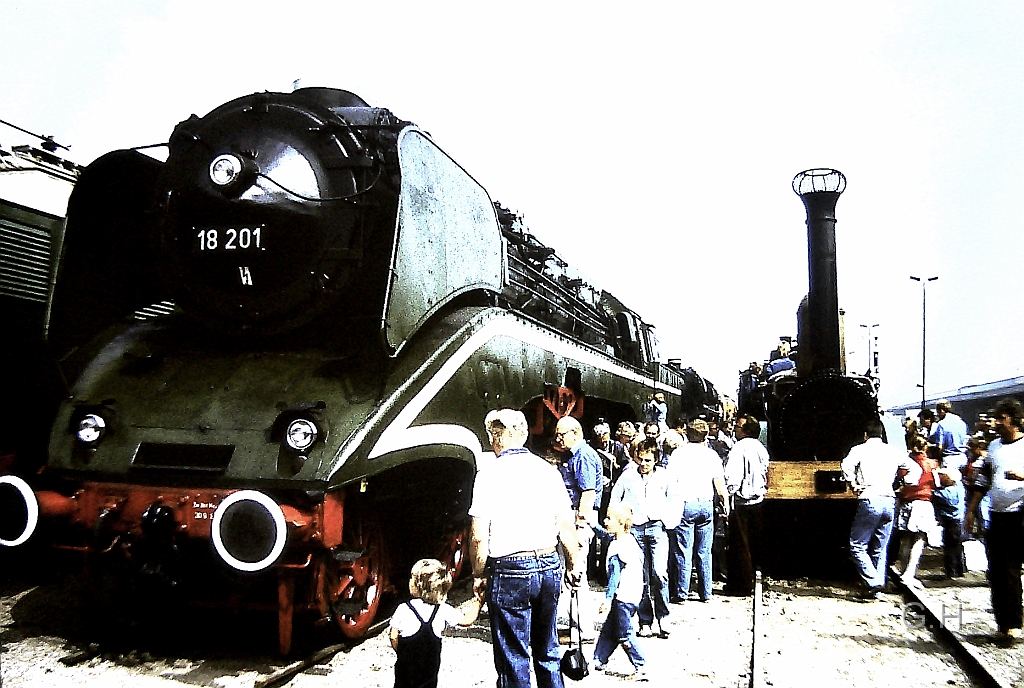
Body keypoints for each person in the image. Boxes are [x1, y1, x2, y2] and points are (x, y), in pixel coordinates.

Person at [469, 409, 582, 688]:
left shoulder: (488, 474)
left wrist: (478, 573)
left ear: (495, 438)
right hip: (548, 565)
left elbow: (478, 538)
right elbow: (567, 526)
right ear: (524, 434)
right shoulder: (547, 470)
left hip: (510, 569)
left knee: (513, 656)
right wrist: (574, 564)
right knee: (547, 651)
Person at [841, 417, 922, 599]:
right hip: (889, 500)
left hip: (870, 498)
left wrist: (853, 483)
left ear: (865, 435)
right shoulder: (892, 451)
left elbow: (846, 465)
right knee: (880, 547)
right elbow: (915, 469)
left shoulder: (859, 449)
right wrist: (905, 483)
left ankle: (873, 581)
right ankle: (877, 587)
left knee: (857, 545)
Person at [966, 399, 1024, 640]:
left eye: (1001, 418)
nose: (995, 423)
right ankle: (1008, 626)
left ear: (1013, 420)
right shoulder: (993, 448)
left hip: (1022, 513)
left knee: (1012, 571)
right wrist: (970, 510)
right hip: (999, 517)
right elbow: (983, 481)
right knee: (1000, 572)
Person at [609, 438, 673, 638]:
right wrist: (621, 521)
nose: (644, 464)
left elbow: (675, 499)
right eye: (641, 459)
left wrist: (667, 520)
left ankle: (664, 616)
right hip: (635, 528)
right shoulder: (628, 477)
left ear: (656, 460)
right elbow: (614, 498)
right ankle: (645, 619)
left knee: (659, 572)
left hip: (656, 526)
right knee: (641, 577)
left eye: (648, 460)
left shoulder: (664, 477)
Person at [389, 558, 485, 688]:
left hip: (405, 669)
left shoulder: (403, 608)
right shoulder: (442, 609)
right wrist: (478, 602)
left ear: (417, 585)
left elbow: (393, 635)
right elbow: (467, 621)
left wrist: (401, 652)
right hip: (429, 672)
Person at [668, 419, 729, 602]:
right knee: (704, 551)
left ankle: (682, 592)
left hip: (685, 504)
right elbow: (720, 485)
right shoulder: (712, 456)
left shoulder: (678, 455)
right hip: (706, 504)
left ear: (687, 433)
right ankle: (706, 592)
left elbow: (670, 483)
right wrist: (726, 504)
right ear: (705, 435)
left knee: (684, 550)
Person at [553, 416, 603, 639]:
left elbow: (587, 493)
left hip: (578, 518)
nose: (557, 438)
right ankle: (577, 627)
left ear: (576, 433)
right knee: (571, 574)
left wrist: (579, 526)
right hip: (572, 517)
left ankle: (584, 630)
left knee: (576, 573)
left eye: (561, 434)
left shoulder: (583, 456)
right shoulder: (574, 455)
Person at [591, 503, 648, 681]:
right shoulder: (628, 541)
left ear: (621, 522)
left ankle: (641, 664)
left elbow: (615, 575)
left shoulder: (619, 548)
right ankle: (598, 660)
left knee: (624, 633)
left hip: (624, 596)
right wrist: (592, 525)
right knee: (610, 629)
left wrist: (607, 600)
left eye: (609, 519)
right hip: (633, 593)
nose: (605, 521)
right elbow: (605, 534)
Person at [723, 415, 770, 595]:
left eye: (738, 426)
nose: (735, 428)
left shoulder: (738, 448)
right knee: (753, 542)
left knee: (739, 545)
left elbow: (733, 477)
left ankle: (741, 585)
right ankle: (753, 578)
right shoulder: (761, 448)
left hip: (742, 502)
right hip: (758, 500)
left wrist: (728, 495)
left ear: (745, 430)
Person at [894, 436, 940, 589]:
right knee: (920, 538)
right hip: (923, 502)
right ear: (925, 447)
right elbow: (937, 484)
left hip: (906, 501)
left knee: (906, 539)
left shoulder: (904, 464)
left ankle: (903, 570)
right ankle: (909, 573)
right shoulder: (932, 464)